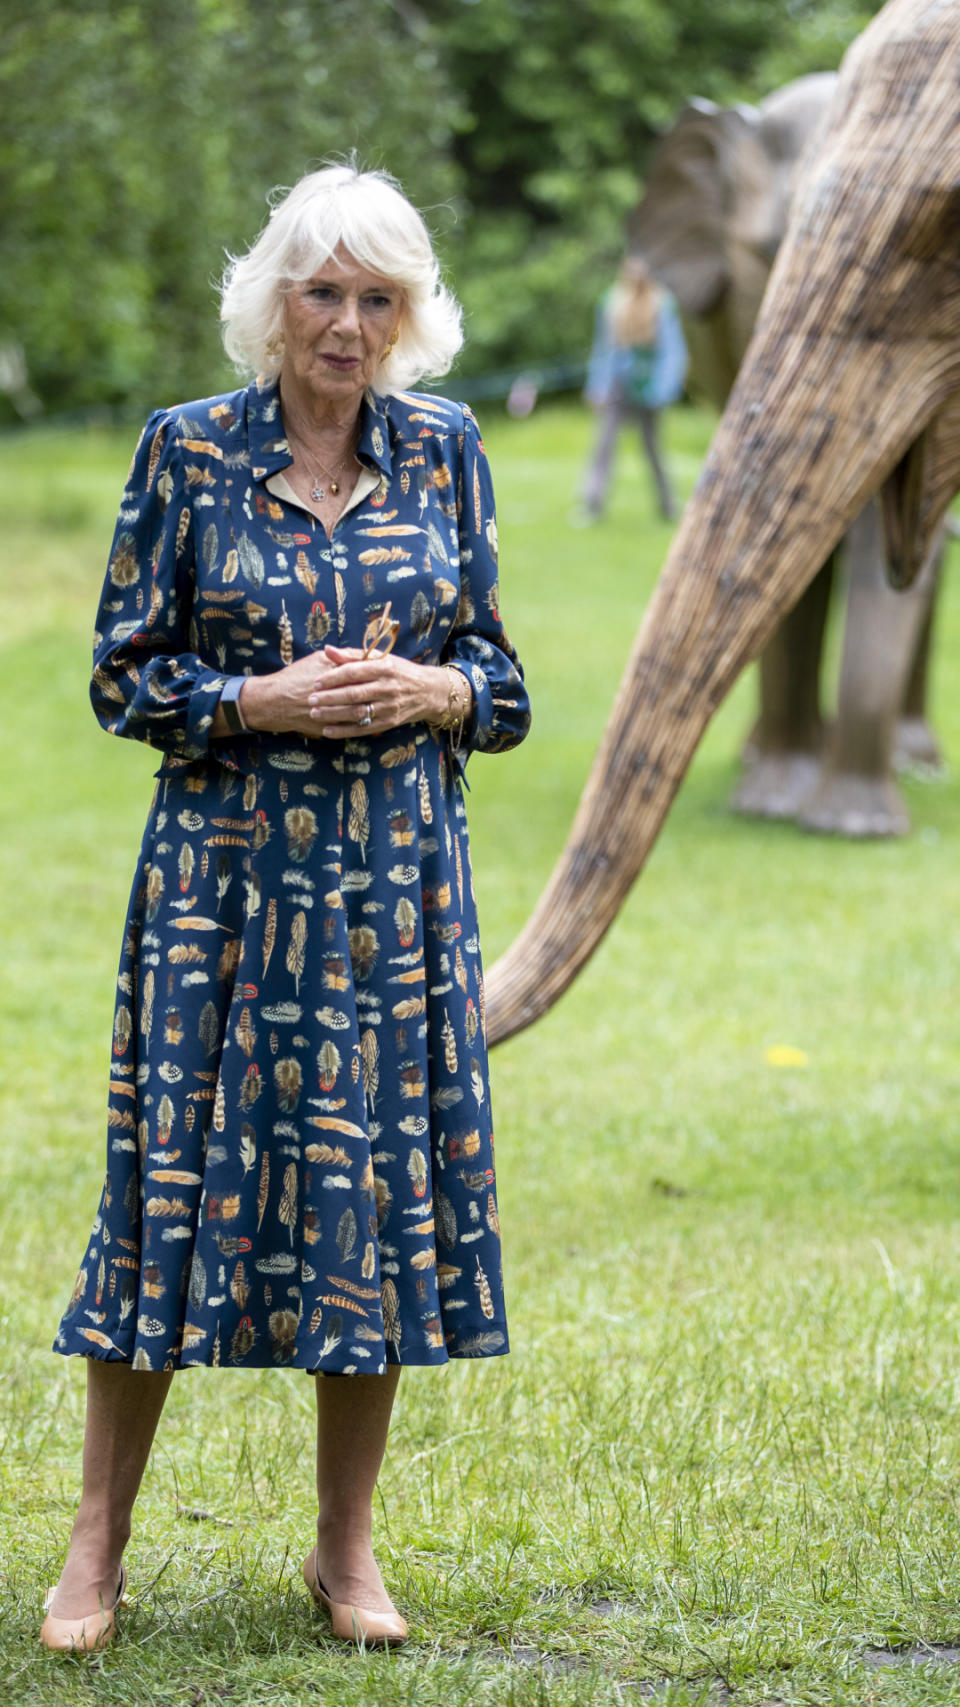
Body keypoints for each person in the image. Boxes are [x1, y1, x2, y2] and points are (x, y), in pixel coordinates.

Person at [41, 162, 531, 1654]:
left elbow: (503, 685)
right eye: (323, 291)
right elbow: (124, 673)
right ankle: (94, 1550)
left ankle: (347, 1551)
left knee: (365, 1202)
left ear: (409, 315)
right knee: (170, 1189)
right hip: (222, 891)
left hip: (394, 890)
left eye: (378, 298)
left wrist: (438, 686)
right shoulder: (187, 453)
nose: (348, 323)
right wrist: (257, 696)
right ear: (274, 300)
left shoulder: (445, 450)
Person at [579, 253, 688, 523]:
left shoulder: (662, 303)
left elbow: (672, 350)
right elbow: (604, 347)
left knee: (652, 449)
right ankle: (592, 504)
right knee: (604, 444)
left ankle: (667, 506)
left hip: (649, 385)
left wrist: (664, 389)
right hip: (618, 384)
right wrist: (597, 385)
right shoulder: (612, 300)